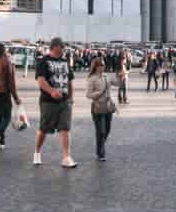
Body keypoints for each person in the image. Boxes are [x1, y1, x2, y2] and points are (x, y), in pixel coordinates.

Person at [33, 40, 77, 168]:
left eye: (64, 47)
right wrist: (51, 91)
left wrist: (71, 98)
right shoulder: (43, 61)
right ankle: (37, 153)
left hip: (64, 101)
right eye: (61, 47)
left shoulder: (65, 62)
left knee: (65, 128)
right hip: (48, 101)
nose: (63, 49)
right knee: (44, 128)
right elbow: (40, 80)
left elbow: (70, 81)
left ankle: (66, 157)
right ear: (54, 47)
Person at [85, 58, 115, 161]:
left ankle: (100, 145)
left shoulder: (107, 77)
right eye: (101, 65)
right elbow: (88, 94)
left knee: (107, 130)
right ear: (96, 67)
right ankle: (101, 154)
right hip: (97, 107)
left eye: (104, 64)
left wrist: (122, 77)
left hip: (108, 106)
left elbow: (117, 83)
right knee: (101, 131)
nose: (103, 66)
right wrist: (99, 93)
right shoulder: (92, 79)